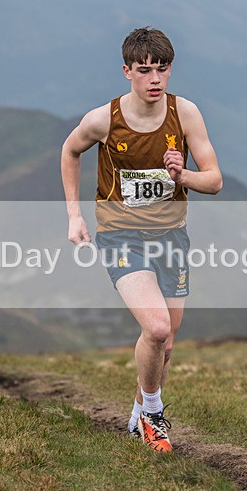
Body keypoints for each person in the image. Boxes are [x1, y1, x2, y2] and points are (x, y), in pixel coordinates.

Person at [61, 27, 222, 452]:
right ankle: (153, 416)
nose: (155, 79)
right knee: (155, 327)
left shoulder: (184, 113)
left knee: (166, 343)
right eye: (145, 70)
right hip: (120, 236)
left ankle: (137, 416)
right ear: (127, 72)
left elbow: (215, 180)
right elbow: (70, 150)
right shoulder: (103, 120)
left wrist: (182, 175)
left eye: (162, 69)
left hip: (171, 236)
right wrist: (75, 214)